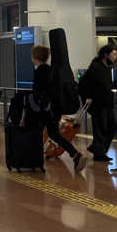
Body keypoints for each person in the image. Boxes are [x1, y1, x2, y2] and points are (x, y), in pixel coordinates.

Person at [31, 45, 88, 174]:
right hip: (55, 108)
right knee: (53, 134)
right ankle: (75, 154)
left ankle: (35, 160)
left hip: (45, 109)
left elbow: (38, 91)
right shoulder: (51, 69)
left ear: (34, 57)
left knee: (37, 132)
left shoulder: (40, 71)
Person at [80, 45, 117, 162]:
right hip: (97, 103)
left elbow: (106, 85)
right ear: (106, 54)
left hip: (107, 102)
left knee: (111, 127)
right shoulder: (96, 67)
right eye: (113, 54)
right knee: (101, 128)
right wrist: (88, 96)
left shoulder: (107, 67)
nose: (115, 57)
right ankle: (99, 153)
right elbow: (84, 82)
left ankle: (97, 149)